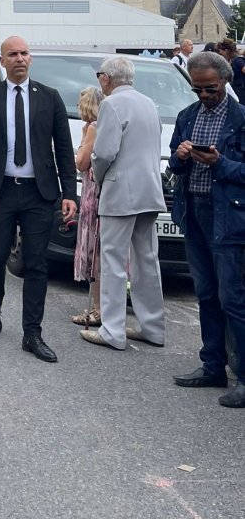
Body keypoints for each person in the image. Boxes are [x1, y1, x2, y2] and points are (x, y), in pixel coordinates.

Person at [0, 35, 77, 363]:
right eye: (12, 54)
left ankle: (33, 332)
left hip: (38, 192)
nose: (19, 59)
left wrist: (69, 193)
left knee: (36, 263)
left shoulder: (50, 98)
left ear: (31, 58)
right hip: (1, 190)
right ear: (2, 60)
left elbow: (64, 149)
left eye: (24, 53)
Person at [167, 51, 245, 406]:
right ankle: (212, 365)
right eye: (197, 89)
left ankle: (243, 377)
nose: (203, 95)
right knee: (206, 294)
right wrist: (181, 157)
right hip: (194, 214)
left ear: (225, 81)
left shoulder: (240, 118)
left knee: (233, 299)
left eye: (209, 89)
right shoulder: (187, 117)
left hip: (228, 217)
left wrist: (220, 163)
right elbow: (174, 167)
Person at [80, 56, 166, 351]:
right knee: (146, 260)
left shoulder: (111, 104)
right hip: (149, 190)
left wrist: (100, 179)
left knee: (114, 261)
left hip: (120, 191)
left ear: (106, 78)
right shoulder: (148, 103)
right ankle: (153, 327)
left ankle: (112, 330)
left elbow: (103, 153)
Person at [70, 86, 103, 326]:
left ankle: (98, 309)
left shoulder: (92, 127)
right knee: (99, 252)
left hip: (93, 193)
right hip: (98, 192)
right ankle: (98, 307)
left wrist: (79, 146)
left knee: (94, 253)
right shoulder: (102, 125)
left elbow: (82, 163)